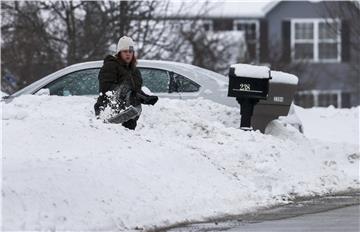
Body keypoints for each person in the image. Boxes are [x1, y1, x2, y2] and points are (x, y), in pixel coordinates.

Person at [94, 36, 158, 130]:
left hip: (129, 113)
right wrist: (129, 92)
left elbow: (135, 90)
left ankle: (129, 116)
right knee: (126, 87)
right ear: (119, 53)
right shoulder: (110, 66)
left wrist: (145, 98)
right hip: (109, 108)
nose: (128, 54)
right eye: (125, 51)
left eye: (130, 51)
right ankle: (118, 114)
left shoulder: (134, 71)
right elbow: (106, 89)